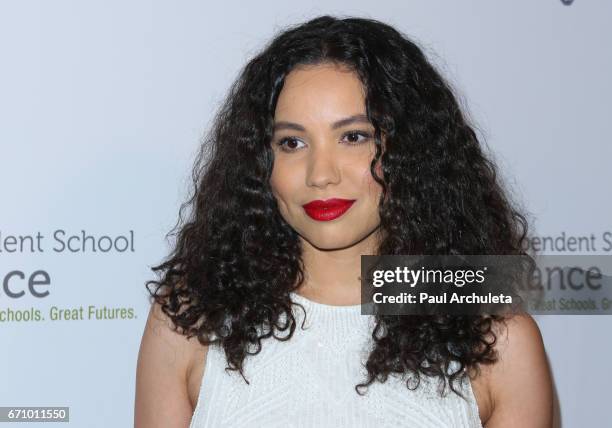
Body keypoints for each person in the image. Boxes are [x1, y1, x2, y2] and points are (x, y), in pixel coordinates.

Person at [135, 15, 554, 427]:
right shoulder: (189, 321)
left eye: (353, 137)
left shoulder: (496, 338)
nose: (321, 174)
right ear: (259, 162)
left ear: (411, 152)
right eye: (292, 142)